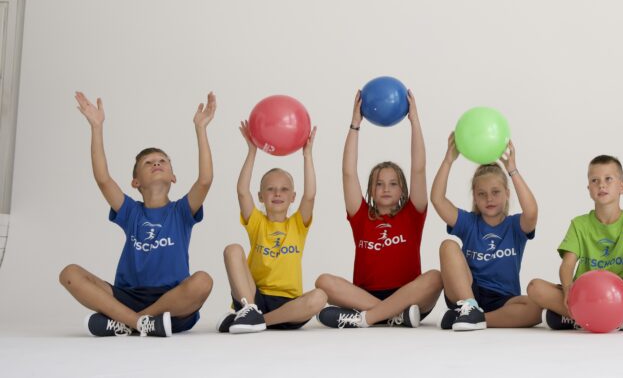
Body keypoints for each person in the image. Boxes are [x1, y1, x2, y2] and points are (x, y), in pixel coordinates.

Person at [59, 92, 216, 337]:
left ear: (173, 177)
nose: (156, 163)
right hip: (127, 297)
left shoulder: (181, 211)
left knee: (203, 281)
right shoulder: (131, 212)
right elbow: (103, 179)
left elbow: (205, 181)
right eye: (148, 163)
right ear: (135, 182)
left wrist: (201, 129)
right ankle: (139, 322)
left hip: (172, 304)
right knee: (69, 274)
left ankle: (127, 323)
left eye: (162, 161)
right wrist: (97, 128)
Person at [315, 90, 441, 328]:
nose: (385, 189)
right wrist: (355, 125)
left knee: (435, 277)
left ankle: (371, 317)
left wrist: (414, 121)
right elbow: (348, 173)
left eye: (393, 184)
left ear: (403, 190)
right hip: (368, 298)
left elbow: (419, 168)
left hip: (409, 298)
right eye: (379, 184)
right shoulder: (361, 216)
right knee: (323, 281)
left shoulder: (413, 214)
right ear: (370, 191)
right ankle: (393, 316)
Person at [526, 155, 623, 331]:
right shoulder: (579, 224)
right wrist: (568, 288)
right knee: (535, 287)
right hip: (585, 296)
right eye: (595, 180)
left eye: (608, 179)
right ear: (589, 189)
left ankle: (574, 318)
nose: (601, 185)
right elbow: (567, 264)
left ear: (622, 187)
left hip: (620, 296)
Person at [218, 121, 327, 333]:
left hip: (289, 307)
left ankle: (258, 321)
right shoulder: (257, 222)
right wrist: (252, 151)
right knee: (232, 250)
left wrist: (307, 155)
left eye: (284, 189)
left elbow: (310, 195)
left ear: (293, 197)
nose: (277, 193)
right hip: (254, 297)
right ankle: (249, 313)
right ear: (261, 196)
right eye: (270, 189)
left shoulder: (297, 224)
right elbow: (242, 191)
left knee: (320, 296)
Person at [431, 134, 541, 331]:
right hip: (466, 293)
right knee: (448, 245)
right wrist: (448, 160)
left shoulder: (515, 226)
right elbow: (437, 200)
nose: (489, 199)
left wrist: (512, 170)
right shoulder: (469, 223)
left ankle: (475, 319)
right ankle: (469, 309)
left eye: (496, 192)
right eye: (482, 194)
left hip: (503, 299)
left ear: (507, 194)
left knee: (535, 308)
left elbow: (531, 212)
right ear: (475, 197)